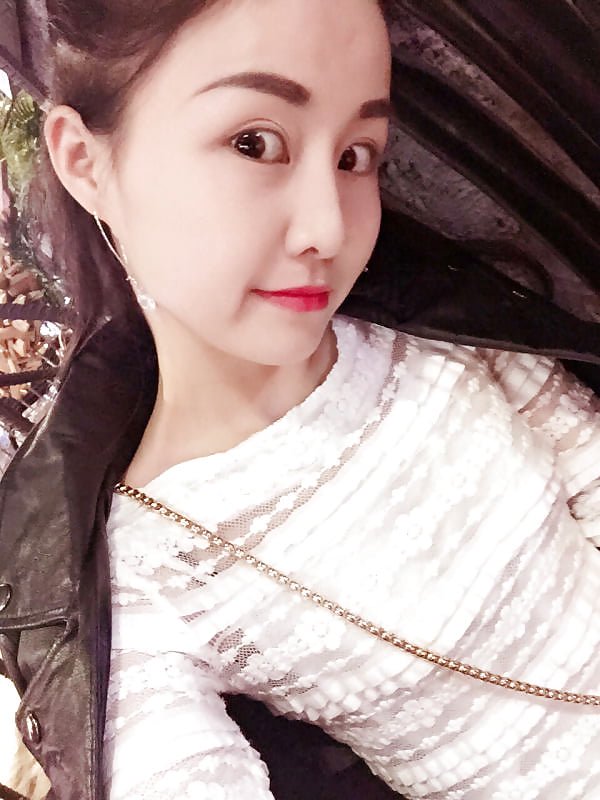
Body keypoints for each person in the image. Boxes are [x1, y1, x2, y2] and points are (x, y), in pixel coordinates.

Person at [0, 0, 599, 798]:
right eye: (256, 143)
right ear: (86, 161)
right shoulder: (147, 576)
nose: (329, 227)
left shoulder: (436, 335)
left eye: (356, 155)